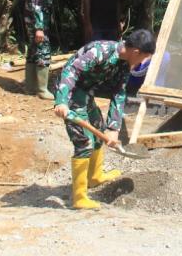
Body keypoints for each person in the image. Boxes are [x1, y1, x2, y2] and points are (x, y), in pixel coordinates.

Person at [53, 29, 155, 210]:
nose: (144, 62)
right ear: (136, 52)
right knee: (84, 141)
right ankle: (79, 198)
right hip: (70, 94)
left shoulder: (124, 65)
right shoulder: (99, 51)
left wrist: (113, 128)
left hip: (85, 94)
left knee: (99, 130)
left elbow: (119, 93)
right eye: (144, 58)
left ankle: (95, 176)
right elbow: (71, 70)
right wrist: (61, 101)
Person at [23, 0, 55, 100]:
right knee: (43, 51)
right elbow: (37, 5)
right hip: (37, 23)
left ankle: (30, 87)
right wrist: (39, 28)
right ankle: (42, 90)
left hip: (35, 22)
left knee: (33, 51)